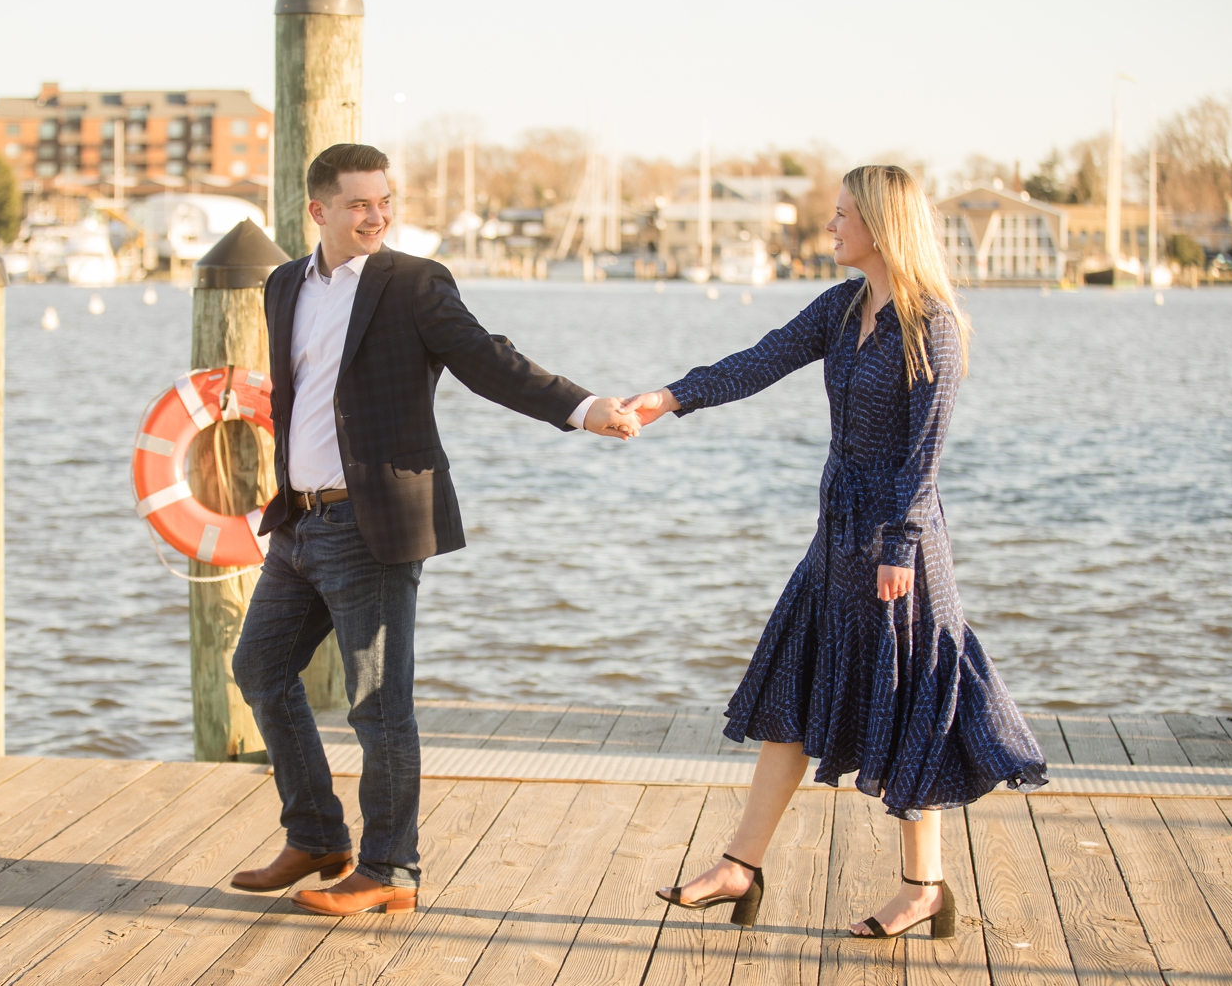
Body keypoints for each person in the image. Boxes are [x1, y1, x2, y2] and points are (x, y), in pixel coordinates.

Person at [622, 165, 1047, 938]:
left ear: (882, 226)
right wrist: (669, 397)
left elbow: (926, 454)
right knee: (793, 695)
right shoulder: (842, 307)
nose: (830, 225)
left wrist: (901, 545)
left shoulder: (934, 326)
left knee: (914, 705)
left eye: (842, 214)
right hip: (835, 538)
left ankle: (925, 888)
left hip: (898, 547)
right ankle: (738, 868)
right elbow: (761, 359)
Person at [228, 143, 640, 916]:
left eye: (384, 199)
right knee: (259, 669)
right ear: (317, 211)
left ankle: (390, 869)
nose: (376, 215)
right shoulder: (284, 284)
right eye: (358, 204)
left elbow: (489, 361)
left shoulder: (413, 283)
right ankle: (317, 833)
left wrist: (584, 409)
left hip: (373, 521)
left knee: (378, 703)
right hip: (299, 524)